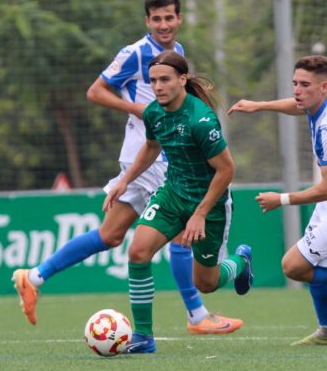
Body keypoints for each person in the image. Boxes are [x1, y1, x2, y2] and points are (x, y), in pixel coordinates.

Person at [12, 0, 243, 335]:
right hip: (153, 156)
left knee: (111, 234)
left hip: (160, 155)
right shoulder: (135, 53)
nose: (164, 25)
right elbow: (96, 91)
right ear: (147, 21)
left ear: (179, 19)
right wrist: (140, 110)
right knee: (180, 235)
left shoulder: (176, 53)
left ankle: (34, 276)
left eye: (169, 18)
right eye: (156, 19)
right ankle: (197, 316)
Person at [228, 55, 327, 346]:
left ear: (323, 87)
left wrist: (282, 199)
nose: (297, 91)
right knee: (317, 261)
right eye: (295, 84)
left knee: (294, 266)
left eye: (305, 85)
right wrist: (259, 106)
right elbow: (297, 106)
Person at [103, 50, 253, 353]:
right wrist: (124, 181)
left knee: (206, 284)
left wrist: (199, 214)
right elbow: (150, 147)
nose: (158, 86)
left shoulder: (201, 120)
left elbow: (226, 170)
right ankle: (144, 337)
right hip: (172, 193)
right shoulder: (153, 112)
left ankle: (240, 262)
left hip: (209, 203)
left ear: (182, 80)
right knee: (138, 252)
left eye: (165, 80)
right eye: (154, 80)